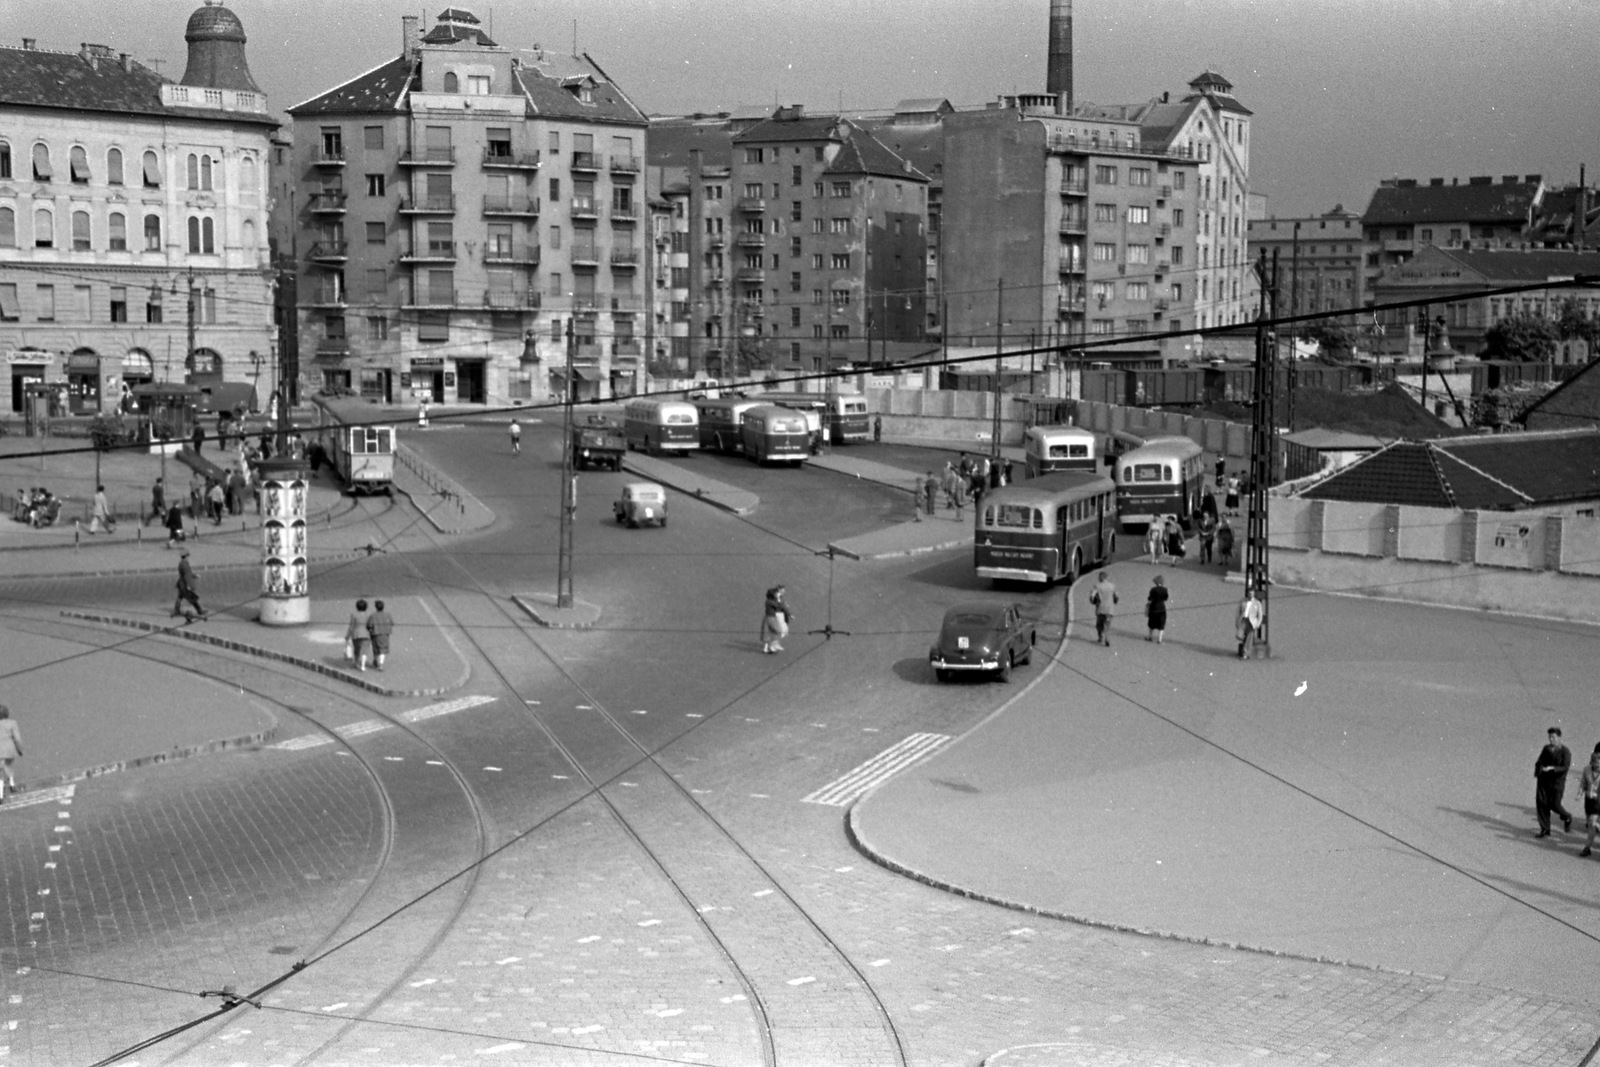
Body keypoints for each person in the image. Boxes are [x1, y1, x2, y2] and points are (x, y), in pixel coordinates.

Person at [1535, 727, 1574, 838]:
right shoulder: (1546, 749)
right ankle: (1545, 828)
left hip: (1557, 782)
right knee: (1542, 803)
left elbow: (1565, 767)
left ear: (1559, 738)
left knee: (1555, 804)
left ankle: (1567, 816)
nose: (1551, 740)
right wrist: (1540, 769)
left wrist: (1553, 768)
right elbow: (1540, 761)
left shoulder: (1565, 752)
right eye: (1550, 737)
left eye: (1553, 737)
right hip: (1544, 780)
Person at [760, 584, 794, 654]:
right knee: (777, 631)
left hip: (770, 618)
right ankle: (773, 646)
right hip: (771, 618)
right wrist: (778, 600)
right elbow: (778, 606)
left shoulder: (769, 601)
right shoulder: (770, 602)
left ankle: (766, 648)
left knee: (768, 633)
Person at [173, 549, 205, 620]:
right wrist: (190, 586)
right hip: (184, 584)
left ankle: (176, 610)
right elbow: (187, 576)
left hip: (181, 583)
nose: (188, 557)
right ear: (186, 556)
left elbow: (188, 573)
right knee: (192, 597)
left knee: (180, 596)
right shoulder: (185, 564)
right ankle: (200, 610)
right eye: (188, 556)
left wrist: (195, 575)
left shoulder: (182, 563)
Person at [1580, 745, 1600, 857]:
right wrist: (1580, 792)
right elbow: (1583, 781)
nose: (1597, 767)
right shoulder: (1587, 770)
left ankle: (1586, 847)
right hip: (1589, 803)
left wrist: (1596, 794)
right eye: (1596, 765)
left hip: (1598, 802)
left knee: (1592, 823)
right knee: (1591, 826)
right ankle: (1587, 848)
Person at [1089, 570, 1118, 646]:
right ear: (1106, 577)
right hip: (1110, 610)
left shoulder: (1097, 586)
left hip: (1100, 609)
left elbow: (1092, 597)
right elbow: (1116, 597)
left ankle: (1100, 637)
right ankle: (1107, 639)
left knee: (1099, 625)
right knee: (1107, 625)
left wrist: (1092, 601)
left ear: (1100, 577)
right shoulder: (1112, 586)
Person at [1236, 585, 1265, 658]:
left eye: (1252, 594)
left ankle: (1245, 653)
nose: (1250, 595)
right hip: (1244, 620)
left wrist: (1257, 624)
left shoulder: (1257, 603)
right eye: (1249, 593)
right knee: (1239, 635)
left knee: (1249, 637)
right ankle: (1245, 645)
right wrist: (1237, 621)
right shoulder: (1243, 601)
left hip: (1251, 622)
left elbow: (1260, 615)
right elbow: (1238, 612)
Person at [0, 705, 21, 801]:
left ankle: (0, 794)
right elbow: (17, 738)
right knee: (8, 766)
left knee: (1, 772)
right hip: (9, 751)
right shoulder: (12, 723)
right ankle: (12, 784)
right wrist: (19, 749)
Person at [367, 599, 395, 672]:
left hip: (375, 633)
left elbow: (369, 625)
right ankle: (381, 664)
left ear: (376, 607)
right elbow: (392, 623)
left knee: (376, 648)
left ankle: (376, 660)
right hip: (385, 633)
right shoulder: (387, 615)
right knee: (383, 649)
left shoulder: (373, 615)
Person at [347, 598, 373, 671]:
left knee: (357, 650)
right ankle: (363, 666)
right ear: (366, 607)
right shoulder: (368, 615)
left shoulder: (354, 615)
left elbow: (351, 626)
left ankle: (356, 662)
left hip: (356, 634)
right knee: (365, 651)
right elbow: (370, 625)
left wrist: (348, 636)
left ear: (357, 607)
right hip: (366, 635)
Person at [1145, 574, 1169, 643]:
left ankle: (1150, 636)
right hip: (1161, 607)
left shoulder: (1153, 589)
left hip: (1153, 607)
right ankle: (1159, 639)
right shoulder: (1165, 590)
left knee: (1151, 622)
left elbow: (1149, 598)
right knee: (1162, 623)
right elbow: (1166, 598)